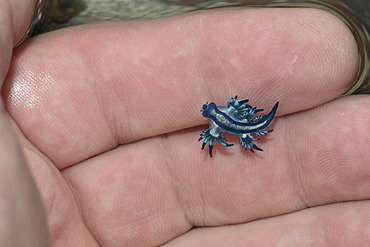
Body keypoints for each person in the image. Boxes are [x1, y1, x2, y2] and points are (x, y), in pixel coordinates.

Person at [0, 2, 369, 246]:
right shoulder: (214, 123)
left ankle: (256, 131)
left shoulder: (216, 120)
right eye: (211, 108)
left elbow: (217, 131)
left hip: (242, 127)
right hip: (238, 129)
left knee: (255, 129)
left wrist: (225, 132)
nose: (209, 109)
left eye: (210, 108)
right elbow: (214, 135)